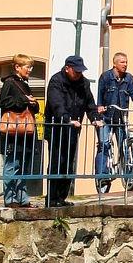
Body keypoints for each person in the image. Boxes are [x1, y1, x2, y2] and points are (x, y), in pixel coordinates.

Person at [44, 54, 97, 206]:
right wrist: (67, 119)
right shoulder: (56, 81)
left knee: (68, 163)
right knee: (56, 162)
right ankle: (52, 199)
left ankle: (62, 197)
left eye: (81, 71)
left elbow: (89, 103)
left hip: (74, 130)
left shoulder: (84, 83)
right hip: (56, 128)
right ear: (67, 69)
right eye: (76, 71)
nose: (79, 74)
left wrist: (94, 118)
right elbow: (57, 104)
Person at [95, 50, 133, 196]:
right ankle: (102, 177)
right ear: (115, 63)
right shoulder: (106, 77)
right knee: (104, 145)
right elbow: (99, 93)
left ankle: (129, 176)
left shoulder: (129, 78)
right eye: (122, 62)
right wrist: (99, 107)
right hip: (106, 117)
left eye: (126, 62)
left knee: (125, 144)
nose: (125, 64)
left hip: (121, 118)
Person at [0, 56, 39, 207]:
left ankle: (23, 198)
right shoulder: (9, 83)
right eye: (27, 67)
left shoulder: (25, 84)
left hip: (25, 132)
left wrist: (33, 104)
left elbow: (32, 106)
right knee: (12, 165)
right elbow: (4, 103)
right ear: (17, 67)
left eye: (30, 67)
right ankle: (10, 199)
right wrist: (24, 101)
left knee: (23, 166)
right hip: (13, 132)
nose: (30, 70)